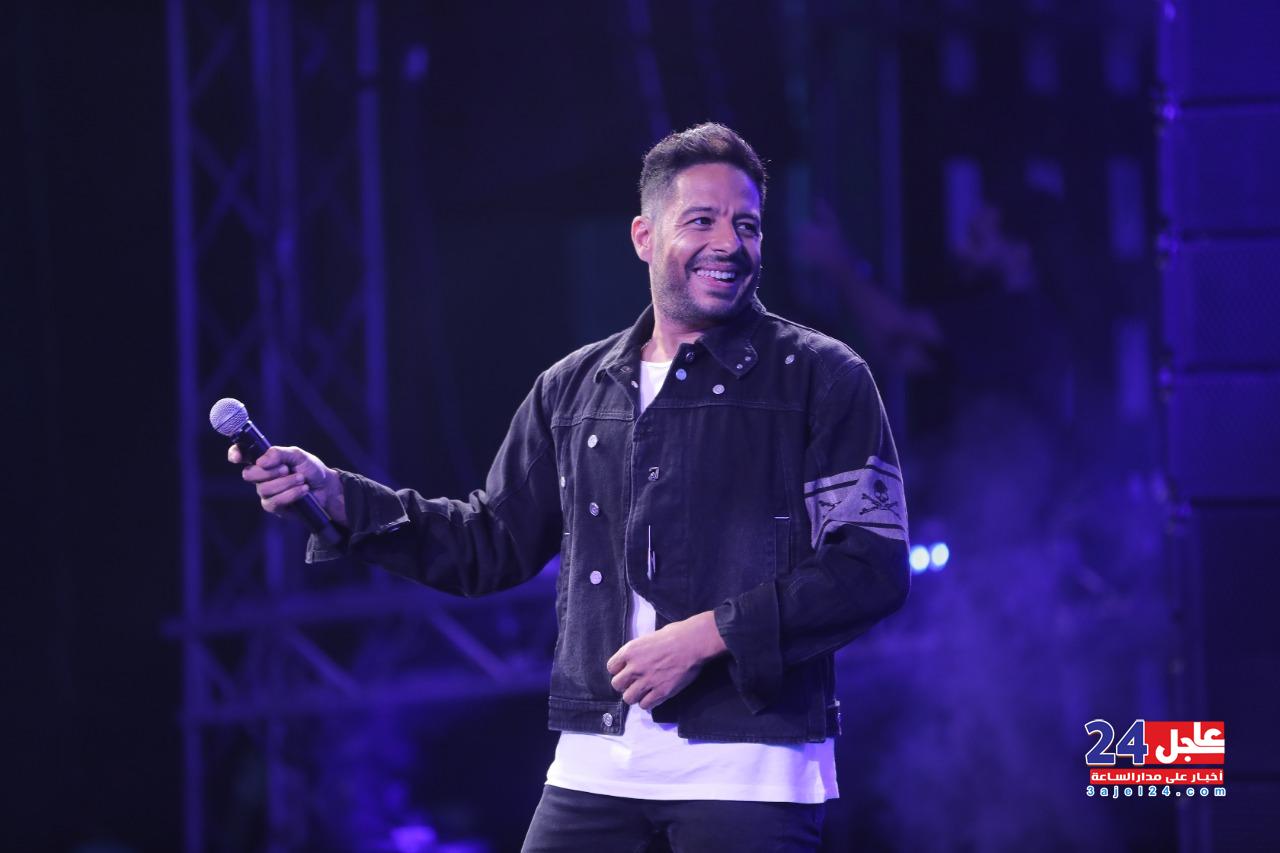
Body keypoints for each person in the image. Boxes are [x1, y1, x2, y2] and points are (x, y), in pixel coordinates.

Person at [230, 123, 910, 852]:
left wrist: (707, 636)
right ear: (644, 236)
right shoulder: (575, 388)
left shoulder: (821, 377)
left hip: (751, 770)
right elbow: (488, 543)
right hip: (595, 765)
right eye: (701, 221)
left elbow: (869, 566)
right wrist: (340, 498)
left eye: (747, 225)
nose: (729, 243)